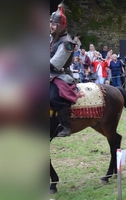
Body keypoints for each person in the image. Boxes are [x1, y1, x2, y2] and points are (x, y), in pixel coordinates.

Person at [50, 3, 84, 137]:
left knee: (54, 95)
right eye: (50, 23)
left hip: (61, 75)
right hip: (48, 74)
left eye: (53, 24)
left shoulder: (67, 42)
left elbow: (55, 64)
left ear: (61, 25)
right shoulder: (52, 38)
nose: (51, 27)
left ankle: (65, 126)